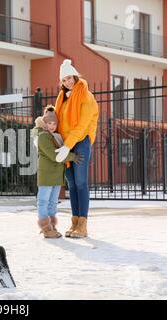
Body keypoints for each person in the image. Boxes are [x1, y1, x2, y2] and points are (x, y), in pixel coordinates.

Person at [54, 59, 99, 238]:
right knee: (71, 184)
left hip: (80, 142)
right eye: (64, 80)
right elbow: (59, 122)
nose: (67, 82)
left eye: (69, 78)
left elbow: (81, 126)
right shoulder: (63, 99)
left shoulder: (86, 96)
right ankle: (74, 223)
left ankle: (83, 224)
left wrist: (67, 146)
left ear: (75, 75)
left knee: (80, 182)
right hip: (66, 144)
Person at [31, 106, 83, 238]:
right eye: (49, 123)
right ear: (44, 123)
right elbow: (55, 155)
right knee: (43, 201)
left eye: (54, 123)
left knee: (53, 202)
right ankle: (46, 228)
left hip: (57, 175)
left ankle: (51, 226)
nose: (52, 125)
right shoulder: (43, 137)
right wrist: (72, 157)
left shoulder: (56, 136)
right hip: (47, 174)